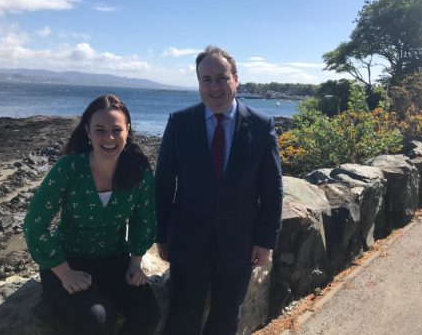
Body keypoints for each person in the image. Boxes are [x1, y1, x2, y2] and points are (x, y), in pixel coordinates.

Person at [155, 45, 283, 335]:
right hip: (188, 240)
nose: (214, 87)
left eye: (221, 78)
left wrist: (266, 240)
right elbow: (163, 182)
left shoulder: (262, 125)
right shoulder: (180, 122)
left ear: (236, 79)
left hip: (239, 243)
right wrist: (161, 234)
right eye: (206, 80)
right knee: (183, 316)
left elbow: (272, 187)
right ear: (199, 84)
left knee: (226, 317)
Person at [23, 94, 161, 335]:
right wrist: (65, 273)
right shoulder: (69, 168)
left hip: (113, 259)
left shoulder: (138, 168)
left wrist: (136, 263)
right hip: (67, 261)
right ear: (87, 131)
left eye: (116, 130)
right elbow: (35, 224)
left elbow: (144, 217)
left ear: (127, 131)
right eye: (100, 130)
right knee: (97, 319)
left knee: (148, 314)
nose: (108, 138)